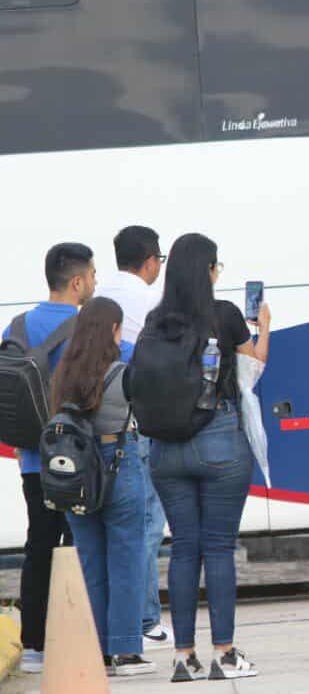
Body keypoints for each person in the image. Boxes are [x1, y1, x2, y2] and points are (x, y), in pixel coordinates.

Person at [142, 233, 270, 682]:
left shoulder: (156, 321)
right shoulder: (226, 316)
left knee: (183, 550)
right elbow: (251, 373)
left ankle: (183, 658)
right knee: (217, 548)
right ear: (209, 271)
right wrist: (264, 327)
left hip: (166, 451)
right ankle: (225, 654)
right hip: (218, 442)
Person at [50, 297, 155, 676]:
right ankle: (126, 652)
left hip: (76, 475)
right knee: (126, 558)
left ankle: (97, 652)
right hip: (118, 466)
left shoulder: (63, 376)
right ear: (112, 330)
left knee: (91, 561)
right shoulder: (123, 374)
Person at [5, 242, 96, 674]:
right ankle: (79, 636)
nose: (94, 283)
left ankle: (34, 644)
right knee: (81, 545)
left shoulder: (17, 326)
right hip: (76, 460)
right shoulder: (86, 327)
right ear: (77, 281)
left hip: (31, 460)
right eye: (93, 276)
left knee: (39, 545)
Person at [96, 226, 171, 648]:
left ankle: (128, 618)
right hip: (139, 425)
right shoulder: (148, 301)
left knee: (120, 529)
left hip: (105, 428)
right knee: (146, 526)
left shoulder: (100, 295)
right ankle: (145, 619)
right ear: (149, 261)